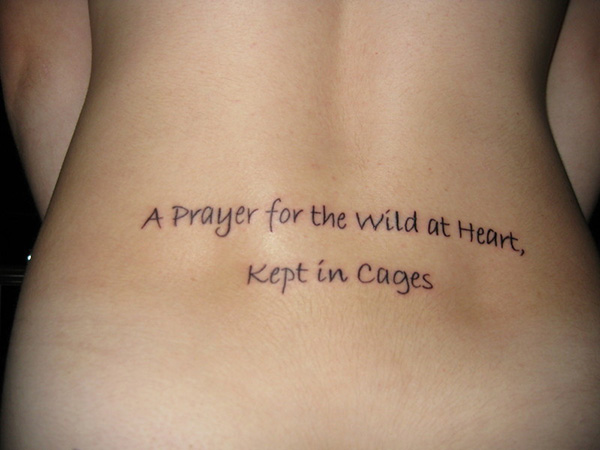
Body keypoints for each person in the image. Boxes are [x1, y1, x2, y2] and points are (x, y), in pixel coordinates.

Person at [1, 1, 599, 448]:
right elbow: (586, 75)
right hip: (525, 372)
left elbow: (38, 67)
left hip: (141, 360)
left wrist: (103, 234)